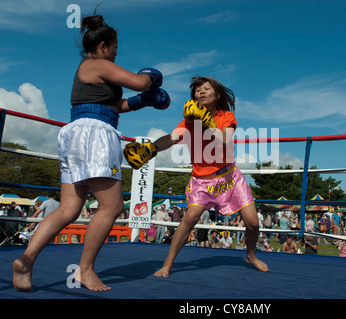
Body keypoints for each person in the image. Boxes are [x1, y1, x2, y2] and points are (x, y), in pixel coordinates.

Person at [12, 13, 169, 292]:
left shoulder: (90, 70)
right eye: (116, 48)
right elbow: (141, 81)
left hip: (79, 131)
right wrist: (150, 78)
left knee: (69, 208)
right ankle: (85, 270)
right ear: (104, 46)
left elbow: (116, 105)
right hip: (95, 135)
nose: (117, 53)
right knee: (112, 206)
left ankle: (26, 261)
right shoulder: (97, 63)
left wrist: (142, 102)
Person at [123, 76, 268, 277]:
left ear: (216, 95)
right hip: (202, 181)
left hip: (229, 178)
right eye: (197, 90)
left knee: (253, 222)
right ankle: (168, 264)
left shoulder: (226, 116)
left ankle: (251, 255)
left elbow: (224, 140)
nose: (201, 92)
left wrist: (206, 121)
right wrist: (151, 148)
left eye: (206, 89)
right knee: (189, 217)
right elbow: (172, 138)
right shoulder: (188, 122)